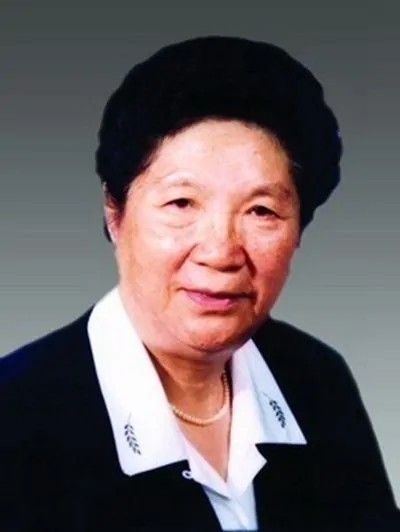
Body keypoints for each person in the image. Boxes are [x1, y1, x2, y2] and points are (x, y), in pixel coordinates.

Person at [0, 36, 398, 532]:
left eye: (261, 211)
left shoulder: (317, 379)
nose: (220, 252)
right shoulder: (13, 417)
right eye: (182, 203)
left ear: (299, 230)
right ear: (114, 212)